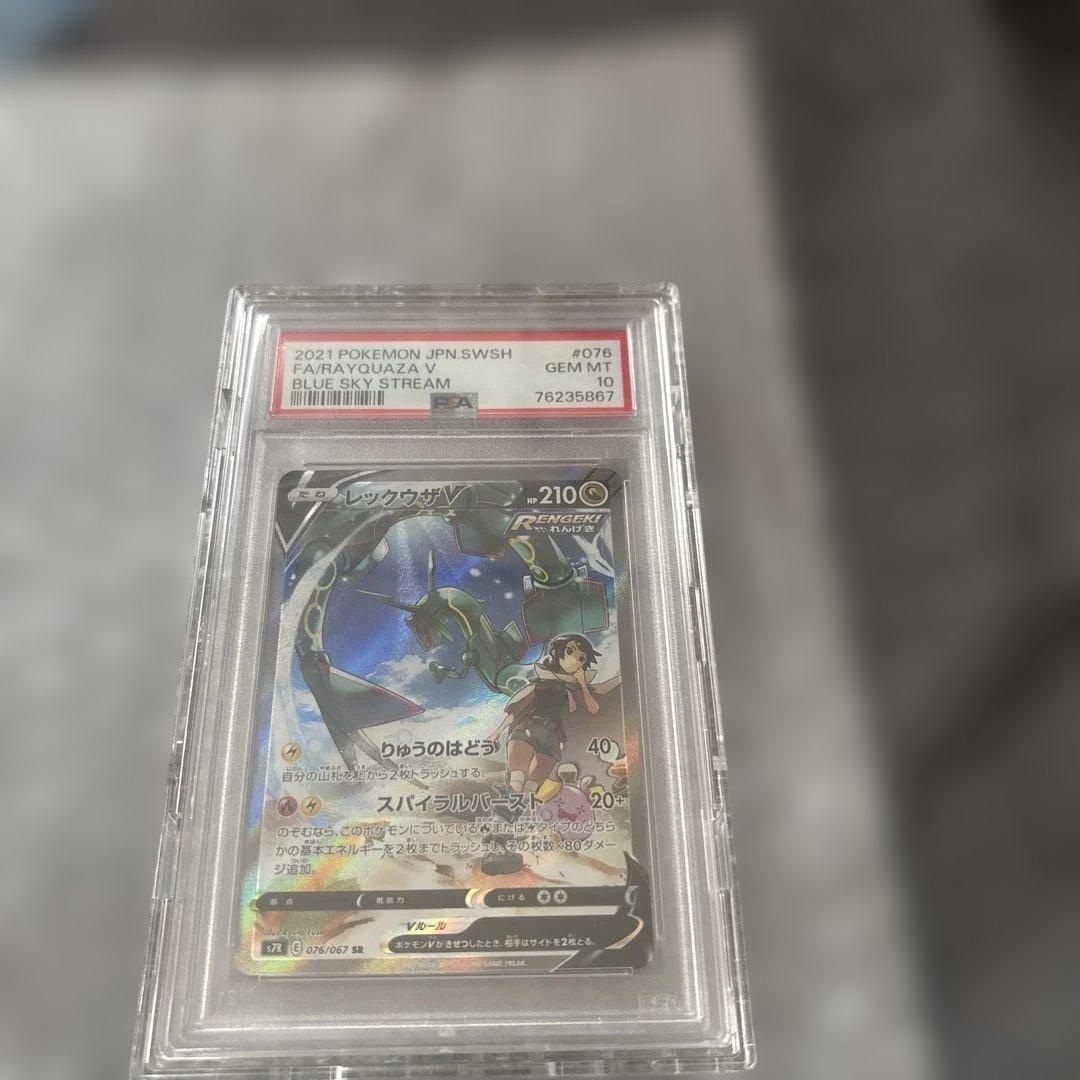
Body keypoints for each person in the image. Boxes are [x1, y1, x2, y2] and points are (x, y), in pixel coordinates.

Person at [489, 633, 620, 796]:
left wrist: (582, 685)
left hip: (551, 737)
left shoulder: (574, 688)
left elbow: (594, 709)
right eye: (570, 651)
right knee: (519, 779)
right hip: (533, 729)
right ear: (557, 653)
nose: (575, 659)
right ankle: (513, 797)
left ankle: (516, 800)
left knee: (529, 786)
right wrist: (496, 732)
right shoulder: (541, 685)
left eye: (581, 658)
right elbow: (516, 711)